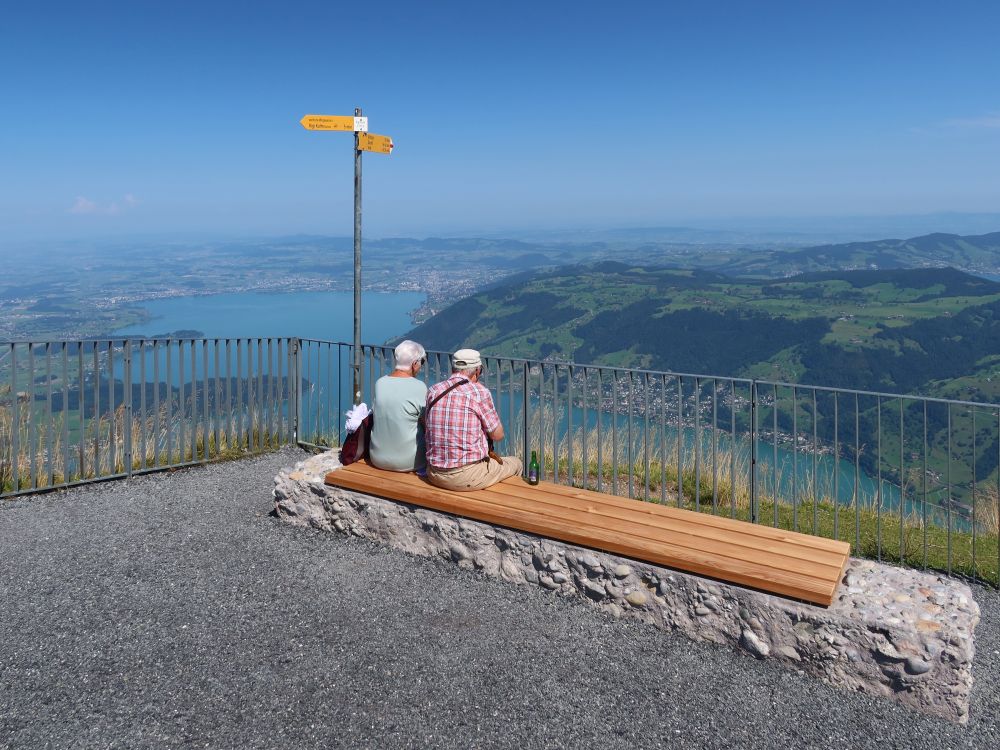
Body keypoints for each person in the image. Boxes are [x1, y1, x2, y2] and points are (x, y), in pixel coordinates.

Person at [424, 348, 523, 491]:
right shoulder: (479, 392)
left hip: (433, 473)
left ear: (453, 368)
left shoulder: (434, 390)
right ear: (477, 371)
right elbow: (498, 435)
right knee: (516, 463)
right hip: (466, 476)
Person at [369, 340, 428, 472]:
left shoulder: (380, 383)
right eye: (422, 362)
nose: (421, 366)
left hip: (377, 458)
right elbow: (427, 423)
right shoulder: (419, 387)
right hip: (410, 461)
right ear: (414, 364)